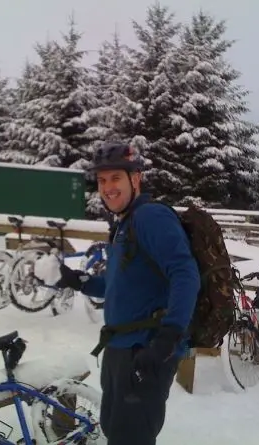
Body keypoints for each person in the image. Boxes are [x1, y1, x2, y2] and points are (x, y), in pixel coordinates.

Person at [55, 142, 200, 445]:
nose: (107, 187)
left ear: (135, 179)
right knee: (115, 428)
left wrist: (169, 336)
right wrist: (80, 281)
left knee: (131, 436)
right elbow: (116, 284)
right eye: (102, 180)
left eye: (115, 178)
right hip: (121, 347)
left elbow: (185, 274)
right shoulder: (124, 223)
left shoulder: (150, 217)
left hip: (145, 350)